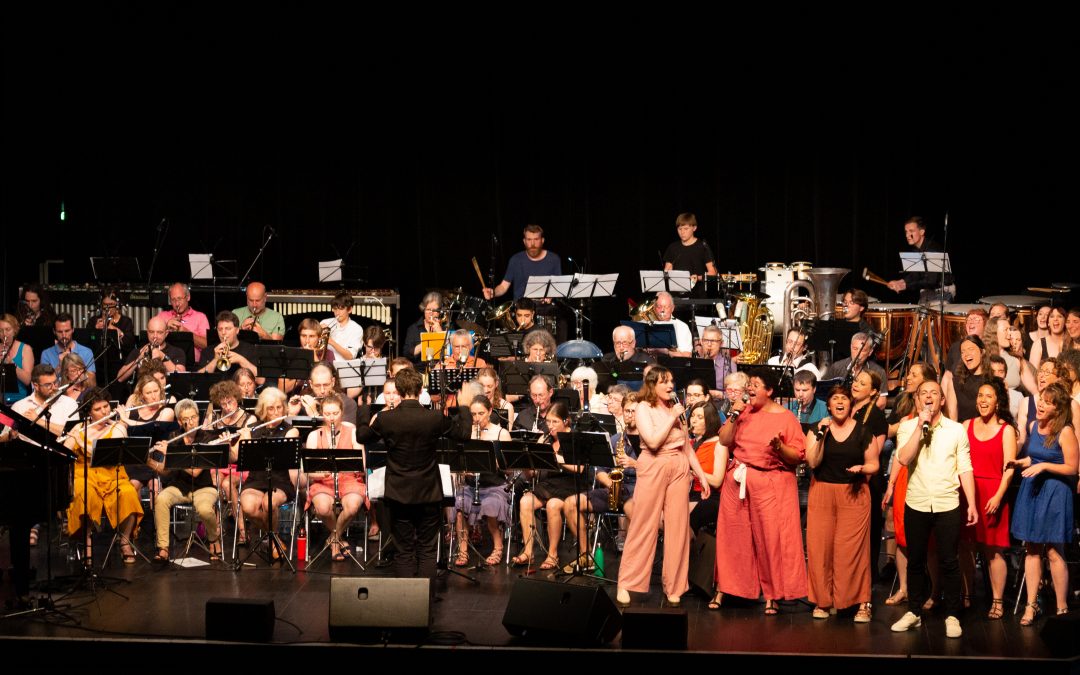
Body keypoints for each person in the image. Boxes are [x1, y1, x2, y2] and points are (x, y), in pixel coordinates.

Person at [357, 368, 468, 579]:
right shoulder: (434, 417)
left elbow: (363, 436)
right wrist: (463, 407)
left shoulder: (385, 418)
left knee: (404, 551)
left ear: (398, 391)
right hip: (429, 493)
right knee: (427, 551)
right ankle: (427, 602)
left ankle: (408, 604)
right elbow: (463, 434)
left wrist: (363, 412)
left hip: (398, 493)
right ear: (421, 389)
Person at [616, 365, 712, 608]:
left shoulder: (676, 409)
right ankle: (627, 582)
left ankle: (675, 586)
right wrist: (671, 418)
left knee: (678, 527)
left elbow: (687, 446)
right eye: (664, 382)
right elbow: (653, 440)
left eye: (671, 381)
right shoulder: (643, 408)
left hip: (679, 466)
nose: (670, 386)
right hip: (654, 464)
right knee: (644, 524)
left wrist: (700, 473)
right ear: (652, 386)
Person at [714, 368, 807, 614]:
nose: (750, 388)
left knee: (770, 540)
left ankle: (772, 594)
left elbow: (798, 455)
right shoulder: (741, 412)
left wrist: (779, 447)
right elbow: (724, 440)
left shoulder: (786, 417)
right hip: (738, 480)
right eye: (749, 385)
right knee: (733, 537)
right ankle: (727, 588)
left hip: (769, 482)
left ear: (770, 390)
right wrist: (733, 416)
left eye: (756, 384)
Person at [890, 380, 977, 639]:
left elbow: (965, 467)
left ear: (942, 400)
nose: (928, 397)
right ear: (917, 400)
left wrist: (971, 502)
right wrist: (920, 425)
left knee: (949, 560)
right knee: (915, 559)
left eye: (934, 394)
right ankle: (914, 612)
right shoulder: (907, 427)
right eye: (923, 394)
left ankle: (952, 614)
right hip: (916, 501)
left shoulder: (955, 430)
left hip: (946, 502)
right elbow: (904, 458)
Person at [804, 385, 876, 622]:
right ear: (829, 404)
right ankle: (823, 602)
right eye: (835, 398)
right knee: (820, 549)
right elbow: (813, 462)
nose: (839, 402)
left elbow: (874, 464)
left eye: (844, 398)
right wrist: (819, 435)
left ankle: (861, 603)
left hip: (853, 494)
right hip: (822, 492)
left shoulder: (864, 431)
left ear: (850, 404)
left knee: (851, 551)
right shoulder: (818, 428)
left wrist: (863, 469)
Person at [1010, 382, 1077, 625]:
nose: (1041, 404)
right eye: (1042, 400)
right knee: (1032, 549)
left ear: (1058, 409)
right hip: (1033, 489)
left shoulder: (1065, 431)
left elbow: (1072, 467)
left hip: (1055, 492)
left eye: (1048, 402)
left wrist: (1044, 466)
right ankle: (1031, 605)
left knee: (1053, 551)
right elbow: (1035, 457)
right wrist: (1022, 462)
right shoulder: (1032, 425)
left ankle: (1061, 608)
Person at [62, 388, 143, 564]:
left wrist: (81, 442)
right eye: (98, 409)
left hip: (112, 475)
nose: (104, 411)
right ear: (89, 412)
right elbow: (64, 454)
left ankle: (125, 541)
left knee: (128, 493)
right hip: (85, 475)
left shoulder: (118, 427)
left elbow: (106, 453)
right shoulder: (79, 428)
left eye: (106, 406)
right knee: (85, 495)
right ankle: (87, 545)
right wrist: (70, 440)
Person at [959, 379, 1017, 620]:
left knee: (994, 551)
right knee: (966, 547)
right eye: (980, 395)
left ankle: (997, 599)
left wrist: (998, 496)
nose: (982, 400)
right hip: (969, 491)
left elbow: (1009, 468)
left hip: (993, 493)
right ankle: (967, 593)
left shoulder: (1006, 430)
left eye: (988, 396)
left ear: (998, 401)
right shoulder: (966, 425)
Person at [513, 401, 584, 571]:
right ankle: (528, 551)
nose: (550, 426)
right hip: (550, 483)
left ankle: (553, 554)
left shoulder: (574, 438)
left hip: (571, 484)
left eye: (555, 422)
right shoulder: (545, 439)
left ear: (566, 421)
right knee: (525, 501)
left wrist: (555, 458)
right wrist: (527, 461)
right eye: (548, 422)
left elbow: (580, 469)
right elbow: (532, 475)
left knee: (552, 505)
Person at [149, 398, 223, 563]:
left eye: (193, 417)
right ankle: (163, 548)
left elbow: (195, 472)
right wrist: (148, 460)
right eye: (186, 419)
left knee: (204, 510)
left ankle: (213, 539)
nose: (191, 422)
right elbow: (165, 470)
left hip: (204, 488)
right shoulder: (174, 437)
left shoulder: (207, 439)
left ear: (198, 416)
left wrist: (171, 454)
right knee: (161, 499)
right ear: (180, 422)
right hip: (179, 487)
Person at [238, 387, 298, 561]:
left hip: (280, 480)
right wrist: (243, 439)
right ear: (263, 410)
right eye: (271, 408)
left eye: (279, 407)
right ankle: (274, 538)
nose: (276, 412)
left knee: (268, 503)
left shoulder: (290, 430)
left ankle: (271, 541)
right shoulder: (252, 429)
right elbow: (237, 457)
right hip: (256, 479)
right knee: (248, 506)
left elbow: (288, 456)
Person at [304, 393, 366, 562]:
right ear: (321, 414)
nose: (331, 418)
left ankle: (334, 540)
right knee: (323, 509)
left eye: (335, 413)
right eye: (327, 414)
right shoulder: (314, 436)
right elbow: (308, 472)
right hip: (323, 481)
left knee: (352, 507)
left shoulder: (352, 433)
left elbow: (361, 467)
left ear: (342, 412)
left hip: (349, 479)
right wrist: (321, 473)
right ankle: (338, 540)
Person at [452, 395, 511, 567]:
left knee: (490, 504)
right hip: (472, 485)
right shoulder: (467, 433)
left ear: (490, 411)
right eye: (473, 414)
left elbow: (508, 469)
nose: (477, 418)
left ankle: (498, 546)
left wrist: (492, 461)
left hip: (495, 485)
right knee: (460, 504)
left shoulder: (501, 433)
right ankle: (463, 550)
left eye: (481, 413)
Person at [885, 216, 955, 305]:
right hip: (927, 292)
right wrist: (900, 282)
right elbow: (915, 275)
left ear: (922, 232)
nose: (907, 235)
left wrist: (905, 286)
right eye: (906, 232)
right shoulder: (916, 250)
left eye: (911, 231)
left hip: (942, 292)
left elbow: (931, 281)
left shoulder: (933, 249)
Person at [483, 224, 562, 301]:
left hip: (546, 309)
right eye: (529, 239)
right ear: (524, 241)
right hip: (521, 310)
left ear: (542, 240)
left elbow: (558, 287)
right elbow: (503, 287)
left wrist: (551, 296)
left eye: (536, 239)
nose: (532, 244)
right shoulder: (515, 260)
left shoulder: (554, 259)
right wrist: (493, 293)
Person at [824, 333, 887, 408]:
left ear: (870, 352)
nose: (858, 353)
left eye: (862, 350)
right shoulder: (837, 367)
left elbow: (882, 401)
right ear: (850, 347)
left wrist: (861, 412)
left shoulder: (879, 371)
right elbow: (825, 394)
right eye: (855, 349)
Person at [116, 317, 187, 384]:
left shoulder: (177, 352)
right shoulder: (138, 351)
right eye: (151, 332)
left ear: (166, 333)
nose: (155, 336)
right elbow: (120, 378)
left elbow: (181, 378)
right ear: (147, 332)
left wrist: (163, 357)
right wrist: (139, 358)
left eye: (159, 332)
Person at [662, 213, 718, 289]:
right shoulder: (672, 247)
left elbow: (713, 273)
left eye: (686, 229)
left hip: (697, 296)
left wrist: (697, 278)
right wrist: (666, 273)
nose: (682, 232)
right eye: (679, 229)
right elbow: (667, 271)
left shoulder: (702, 246)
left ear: (694, 228)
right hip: (676, 295)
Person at [39, 313, 97, 387]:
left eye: (67, 331)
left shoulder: (86, 352)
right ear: (54, 331)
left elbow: (92, 384)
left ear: (73, 329)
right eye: (60, 332)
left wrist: (74, 367)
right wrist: (59, 367)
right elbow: (44, 385)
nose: (64, 335)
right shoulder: (46, 354)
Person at [156, 282, 210, 361]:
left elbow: (206, 345)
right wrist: (166, 328)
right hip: (164, 364)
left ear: (188, 297)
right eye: (173, 300)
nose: (177, 303)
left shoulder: (200, 317)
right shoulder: (162, 316)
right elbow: (152, 340)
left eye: (179, 299)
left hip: (193, 366)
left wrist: (185, 332)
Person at [941, 336, 990, 421]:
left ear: (982, 352)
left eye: (971, 349)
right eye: (963, 352)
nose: (966, 354)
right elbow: (953, 420)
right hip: (963, 432)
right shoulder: (955, 383)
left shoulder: (992, 381)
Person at [195, 311, 259, 376]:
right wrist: (215, 360)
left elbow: (261, 379)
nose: (223, 333)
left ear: (237, 330)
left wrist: (241, 360)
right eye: (220, 329)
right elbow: (198, 379)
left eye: (228, 329)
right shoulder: (207, 351)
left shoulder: (251, 350)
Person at [0, 313, 34, 404]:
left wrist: (11, 364)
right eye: (1, 330)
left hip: (18, 401)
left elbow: (27, 380)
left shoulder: (25, 349)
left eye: (8, 330)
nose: (4, 334)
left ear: (15, 330)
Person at [320, 292, 364, 362]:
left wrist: (331, 342)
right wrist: (317, 331)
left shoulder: (357, 329)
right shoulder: (325, 323)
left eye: (341, 309)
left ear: (349, 310)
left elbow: (350, 356)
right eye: (335, 308)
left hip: (343, 368)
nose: (337, 312)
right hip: (324, 366)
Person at [697, 324, 737, 399]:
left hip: (720, 404)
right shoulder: (696, 363)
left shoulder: (729, 364)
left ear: (721, 343)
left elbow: (736, 393)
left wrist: (722, 395)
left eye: (713, 341)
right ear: (701, 342)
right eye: (706, 340)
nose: (709, 344)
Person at [404, 291, 445, 364]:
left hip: (439, 369)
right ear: (424, 309)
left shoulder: (445, 327)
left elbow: (450, 352)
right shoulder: (413, 329)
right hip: (419, 372)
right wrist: (425, 343)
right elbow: (407, 354)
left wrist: (440, 333)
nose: (431, 313)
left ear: (439, 312)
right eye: (428, 309)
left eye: (435, 310)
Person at [943, 308, 988, 372]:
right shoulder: (955, 347)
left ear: (985, 325)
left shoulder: (990, 347)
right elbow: (948, 376)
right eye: (969, 320)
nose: (971, 322)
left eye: (976, 320)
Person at [651, 291, 694, 356]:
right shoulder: (647, 323)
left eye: (666, 307)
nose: (662, 310)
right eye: (659, 307)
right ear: (654, 308)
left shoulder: (682, 327)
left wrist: (667, 352)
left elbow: (687, 355)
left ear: (672, 308)